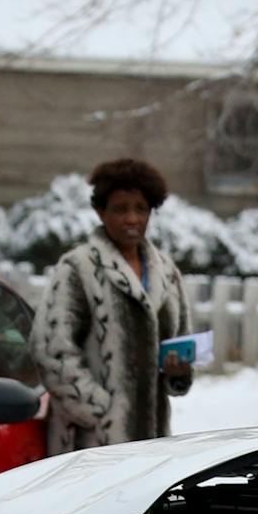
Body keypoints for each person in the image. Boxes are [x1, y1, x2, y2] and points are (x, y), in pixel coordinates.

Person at [33, 157, 195, 451]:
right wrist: (102, 412)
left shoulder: (167, 273)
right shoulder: (77, 268)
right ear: (100, 211)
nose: (131, 219)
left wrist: (178, 372)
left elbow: (180, 344)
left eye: (141, 209)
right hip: (89, 447)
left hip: (152, 445)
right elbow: (52, 350)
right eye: (120, 209)